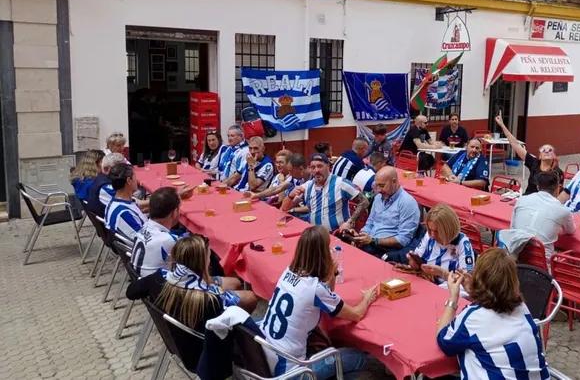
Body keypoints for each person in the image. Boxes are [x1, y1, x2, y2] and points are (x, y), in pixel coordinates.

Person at [259, 226, 378, 379]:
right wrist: (368, 297)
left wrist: (332, 273)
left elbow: (329, 294)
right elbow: (356, 314)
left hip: (267, 353)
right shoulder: (315, 289)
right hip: (292, 372)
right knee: (359, 358)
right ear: (322, 254)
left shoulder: (288, 271)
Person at [126, 235, 257, 370]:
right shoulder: (210, 301)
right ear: (203, 262)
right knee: (249, 302)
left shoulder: (157, 279)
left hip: (177, 342)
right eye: (208, 256)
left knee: (236, 286)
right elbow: (228, 336)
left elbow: (130, 292)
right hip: (205, 358)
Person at [436, 249, 549, 380]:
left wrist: (453, 297)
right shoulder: (522, 308)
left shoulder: (473, 317)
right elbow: (496, 302)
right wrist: (476, 292)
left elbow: (444, 341)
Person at [496, 171, 575, 262]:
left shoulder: (521, 200)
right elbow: (571, 230)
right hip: (543, 264)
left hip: (517, 257)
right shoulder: (563, 211)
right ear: (558, 188)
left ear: (538, 187)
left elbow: (512, 228)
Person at [348, 167, 421, 261]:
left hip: (386, 251)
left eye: (382, 186)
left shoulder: (408, 203)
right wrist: (361, 236)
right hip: (370, 244)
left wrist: (374, 241)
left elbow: (403, 240)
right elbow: (369, 224)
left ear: (394, 181)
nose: (378, 190)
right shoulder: (378, 198)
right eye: (377, 185)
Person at [284, 153, 370, 232]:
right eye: (313, 167)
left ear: (328, 166)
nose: (316, 170)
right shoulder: (307, 186)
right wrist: (290, 196)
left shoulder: (341, 183)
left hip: (337, 234)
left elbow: (364, 201)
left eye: (320, 166)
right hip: (316, 235)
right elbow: (284, 209)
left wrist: (350, 222)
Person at [495, 112, 563, 195]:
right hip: (528, 199)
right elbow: (515, 144)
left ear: (554, 156)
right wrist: (502, 125)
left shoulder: (557, 172)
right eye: (544, 150)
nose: (547, 151)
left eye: (550, 150)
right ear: (540, 156)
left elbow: (558, 194)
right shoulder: (534, 163)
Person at [408, 204, 475, 284]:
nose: (432, 235)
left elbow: (467, 281)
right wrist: (414, 263)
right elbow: (418, 256)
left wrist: (442, 273)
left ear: (448, 230)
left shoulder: (463, 244)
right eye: (430, 230)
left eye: (437, 231)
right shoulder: (429, 235)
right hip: (426, 281)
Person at [104, 162, 146, 241]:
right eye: (135, 178)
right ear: (129, 180)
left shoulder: (114, 203)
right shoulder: (124, 213)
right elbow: (146, 242)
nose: (137, 181)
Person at [86, 152, 127, 218]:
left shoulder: (99, 178)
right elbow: (129, 206)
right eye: (122, 169)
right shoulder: (106, 187)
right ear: (108, 169)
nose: (125, 172)